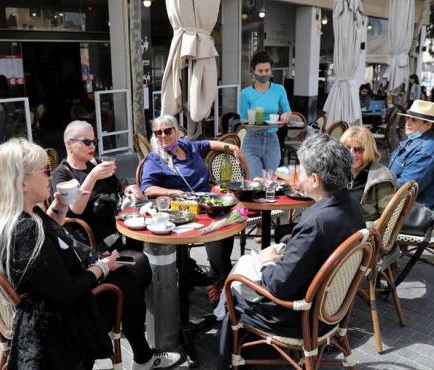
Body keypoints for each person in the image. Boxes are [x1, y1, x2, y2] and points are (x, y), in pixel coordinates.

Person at [0, 139, 180, 370]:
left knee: (133, 268)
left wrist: (59, 207)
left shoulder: (12, 217)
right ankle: (144, 356)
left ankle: (143, 355)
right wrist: (102, 267)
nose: (50, 175)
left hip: (44, 307)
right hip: (61, 324)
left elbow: (48, 245)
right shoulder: (25, 232)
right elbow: (65, 292)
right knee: (131, 278)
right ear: (22, 183)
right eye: (45, 170)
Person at [218, 134, 365, 368]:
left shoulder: (316, 222)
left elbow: (279, 287)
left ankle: (233, 357)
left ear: (315, 179)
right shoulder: (352, 206)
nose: (298, 176)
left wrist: (266, 262)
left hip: (301, 317)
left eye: (302, 171)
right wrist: (287, 251)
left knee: (234, 281)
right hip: (332, 309)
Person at [140, 115, 247, 301]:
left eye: (167, 130)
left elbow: (211, 144)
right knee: (215, 230)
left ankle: (219, 279)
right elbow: (147, 188)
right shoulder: (155, 158)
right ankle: (219, 282)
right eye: (158, 132)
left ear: (177, 131)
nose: (163, 135)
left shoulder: (187, 146)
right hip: (183, 209)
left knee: (227, 225)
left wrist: (233, 148)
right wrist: (172, 192)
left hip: (208, 201)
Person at [51, 120, 142, 251]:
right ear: (69, 144)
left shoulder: (95, 163)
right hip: (96, 244)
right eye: (87, 142)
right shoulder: (61, 174)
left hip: (121, 227)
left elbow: (118, 185)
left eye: (95, 142)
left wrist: (127, 188)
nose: (93, 147)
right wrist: (92, 176)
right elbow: (75, 209)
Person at [389, 100, 434, 214]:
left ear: (428, 124)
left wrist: (376, 187)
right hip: (405, 205)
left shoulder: (428, 150)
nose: (408, 122)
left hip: (411, 212)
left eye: (414, 120)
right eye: (407, 118)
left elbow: (406, 188)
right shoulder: (416, 141)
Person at [238, 50, 292, 178]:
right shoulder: (245, 93)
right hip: (252, 141)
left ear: (271, 70)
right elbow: (243, 120)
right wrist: (255, 124)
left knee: (271, 182)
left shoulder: (279, 89)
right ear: (253, 71)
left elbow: (287, 111)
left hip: (272, 140)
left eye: (267, 70)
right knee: (255, 182)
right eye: (260, 71)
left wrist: (285, 116)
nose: (264, 74)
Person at [340, 127, 396, 222]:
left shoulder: (381, 178)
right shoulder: (339, 170)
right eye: (347, 148)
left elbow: (388, 219)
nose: (351, 153)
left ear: (368, 150)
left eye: (358, 149)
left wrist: (364, 231)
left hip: (361, 232)